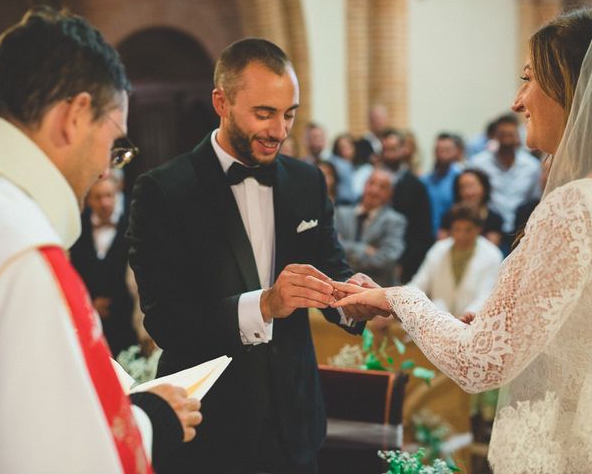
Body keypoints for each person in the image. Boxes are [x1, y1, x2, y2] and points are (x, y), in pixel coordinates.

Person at [332, 6, 592, 473]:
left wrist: (400, 299)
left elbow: (481, 363)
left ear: (573, 87)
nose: (518, 100)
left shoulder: (575, 205)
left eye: (529, 79)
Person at [126, 38, 383, 473]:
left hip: (295, 427)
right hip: (208, 430)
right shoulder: (163, 192)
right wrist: (265, 304)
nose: (280, 131)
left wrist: (351, 300)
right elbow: (168, 322)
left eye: (289, 114)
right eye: (264, 113)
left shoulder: (306, 182)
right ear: (220, 102)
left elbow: (331, 269)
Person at [0, 7, 202, 473]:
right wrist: (149, 419)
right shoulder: (22, 258)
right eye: (114, 141)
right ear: (75, 116)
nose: (106, 167)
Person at [70, 177, 137, 357]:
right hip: (90, 323)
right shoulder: (77, 227)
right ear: (88, 200)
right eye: (98, 197)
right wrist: (90, 303)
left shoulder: (133, 224)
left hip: (126, 322)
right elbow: (73, 272)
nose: (104, 202)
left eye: (109, 195)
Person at [409, 203, 502, 318]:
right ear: (451, 229)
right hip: (438, 321)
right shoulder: (438, 249)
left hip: (473, 322)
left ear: (478, 229)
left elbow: (486, 294)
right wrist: (400, 302)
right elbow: (419, 283)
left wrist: (467, 316)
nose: (461, 235)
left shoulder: (492, 255)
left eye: (468, 230)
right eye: (457, 229)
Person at [469, 113, 541, 253]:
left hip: (521, 232)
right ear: (495, 137)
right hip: (488, 231)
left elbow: (534, 199)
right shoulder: (479, 164)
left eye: (511, 134)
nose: (507, 139)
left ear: (518, 136)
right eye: (503, 134)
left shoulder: (531, 166)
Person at [335, 168, 407, 287]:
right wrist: (364, 250)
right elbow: (332, 247)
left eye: (382, 187)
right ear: (364, 185)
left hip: (377, 289)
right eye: (371, 183)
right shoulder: (341, 214)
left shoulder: (395, 221)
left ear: (391, 193)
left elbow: (388, 258)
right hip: (343, 285)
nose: (374, 190)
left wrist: (346, 249)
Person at [380, 128, 434, 283]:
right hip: (376, 259)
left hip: (405, 259)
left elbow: (422, 230)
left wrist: (405, 262)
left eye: (393, 149)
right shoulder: (373, 182)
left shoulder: (415, 185)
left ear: (404, 150)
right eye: (385, 149)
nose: (389, 154)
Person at [438, 168, 504, 247]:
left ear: (484, 187)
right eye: (463, 187)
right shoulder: (449, 216)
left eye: (472, 186)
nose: (468, 192)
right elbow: (441, 245)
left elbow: (492, 247)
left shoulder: (494, 218)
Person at [420, 133, 464, 235]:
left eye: (447, 150)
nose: (443, 154)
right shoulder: (425, 181)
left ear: (456, 152)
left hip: (453, 234)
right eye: (440, 150)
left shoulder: (461, 178)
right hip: (427, 235)